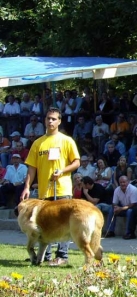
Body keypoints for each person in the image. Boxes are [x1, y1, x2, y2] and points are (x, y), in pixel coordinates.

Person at [20, 107, 80, 266]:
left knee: (63, 223)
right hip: (44, 191)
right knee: (45, 224)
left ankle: (62, 255)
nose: (50, 121)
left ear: (59, 121)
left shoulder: (66, 140)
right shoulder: (37, 143)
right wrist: (27, 187)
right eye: (48, 118)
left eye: (54, 119)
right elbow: (31, 168)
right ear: (44, 120)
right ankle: (45, 255)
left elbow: (76, 162)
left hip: (63, 189)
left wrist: (62, 171)